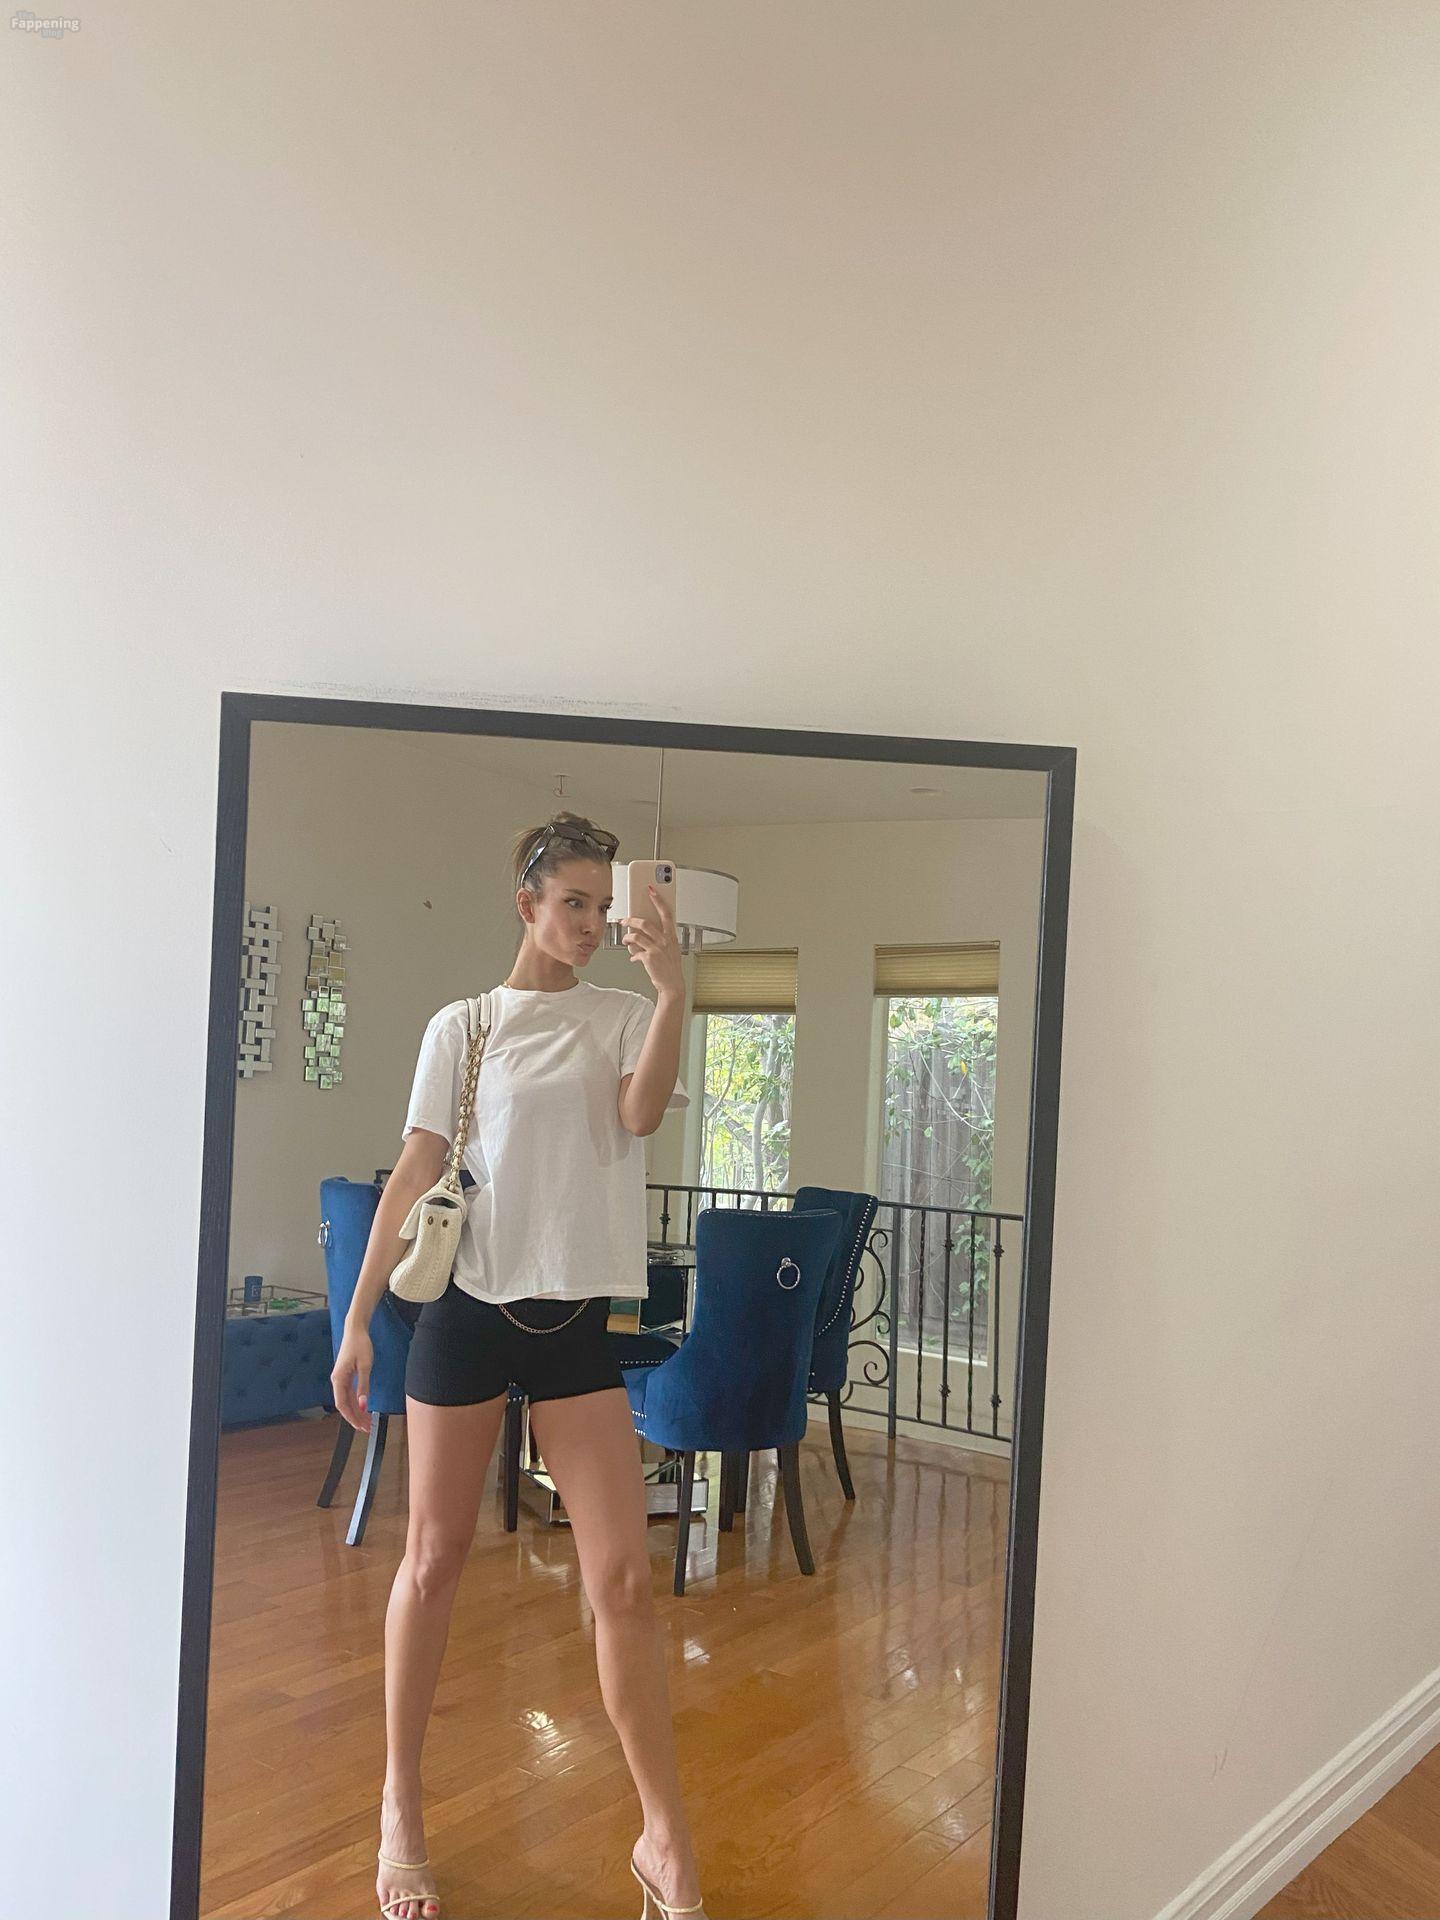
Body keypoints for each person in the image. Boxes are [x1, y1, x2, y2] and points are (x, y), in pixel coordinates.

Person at [330, 812, 708, 1920]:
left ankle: (664, 1839)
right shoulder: (464, 1026)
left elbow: (640, 1113)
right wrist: (357, 1320)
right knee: (432, 1560)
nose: (590, 923)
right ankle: (400, 1808)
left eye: (603, 906)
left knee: (623, 1582)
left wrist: (674, 991)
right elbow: (414, 1170)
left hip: (575, 1326)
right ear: (527, 904)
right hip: (465, 1312)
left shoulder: (624, 1014)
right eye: (572, 903)